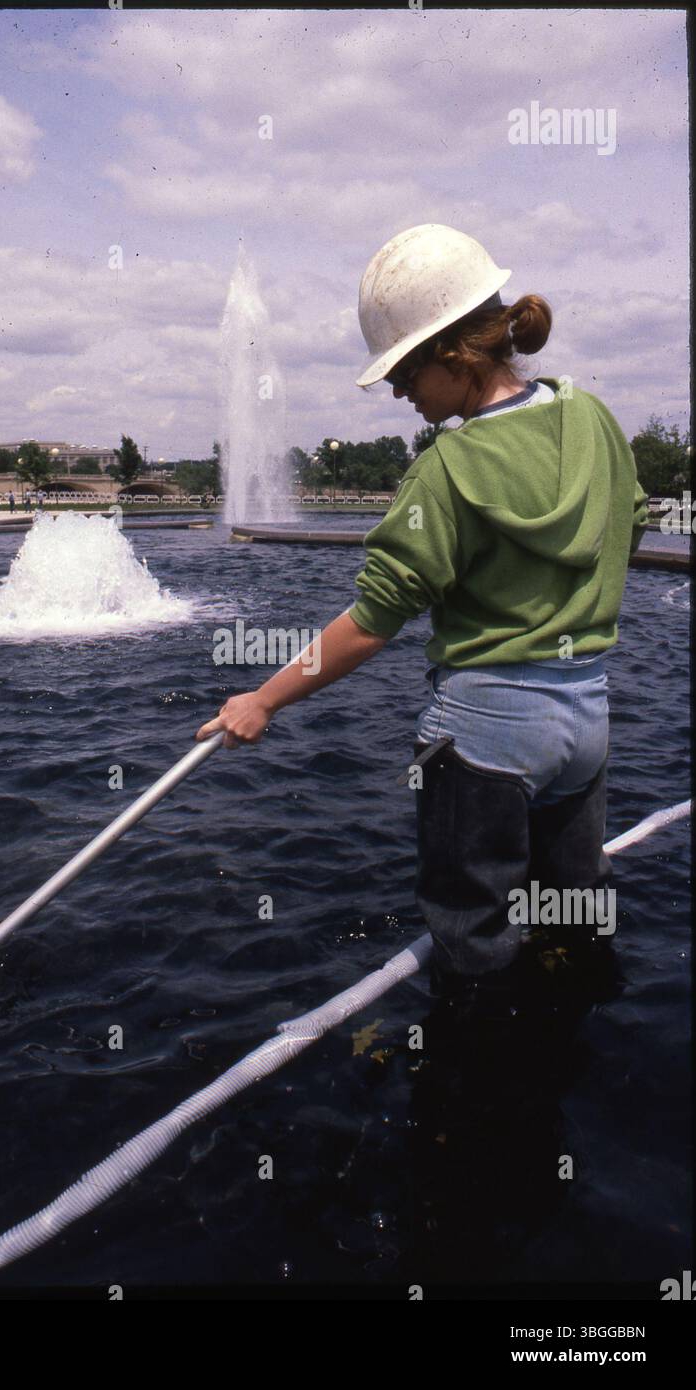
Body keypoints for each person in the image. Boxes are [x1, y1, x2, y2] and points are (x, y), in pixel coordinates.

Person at [195, 224, 649, 996]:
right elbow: (627, 525)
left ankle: (474, 1100)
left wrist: (262, 699)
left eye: (405, 373)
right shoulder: (593, 420)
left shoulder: (446, 470)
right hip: (587, 721)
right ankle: (578, 1058)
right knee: (575, 914)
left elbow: (372, 623)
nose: (403, 395)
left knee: (476, 943)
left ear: (454, 356)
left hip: (487, 740)